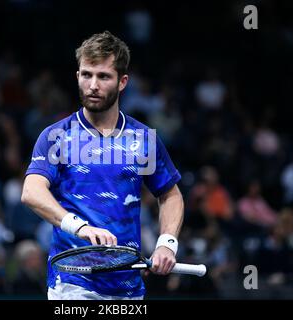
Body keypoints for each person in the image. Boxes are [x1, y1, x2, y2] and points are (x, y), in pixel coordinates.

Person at [21, 31, 184, 300]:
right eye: (86, 75)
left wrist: (167, 243)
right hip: (73, 284)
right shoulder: (56, 136)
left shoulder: (144, 139)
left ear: (123, 82)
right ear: (77, 76)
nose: (93, 85)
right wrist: (81, 228)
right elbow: (31, 192)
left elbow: (171, 194)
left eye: (103, 76)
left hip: (129, 288)